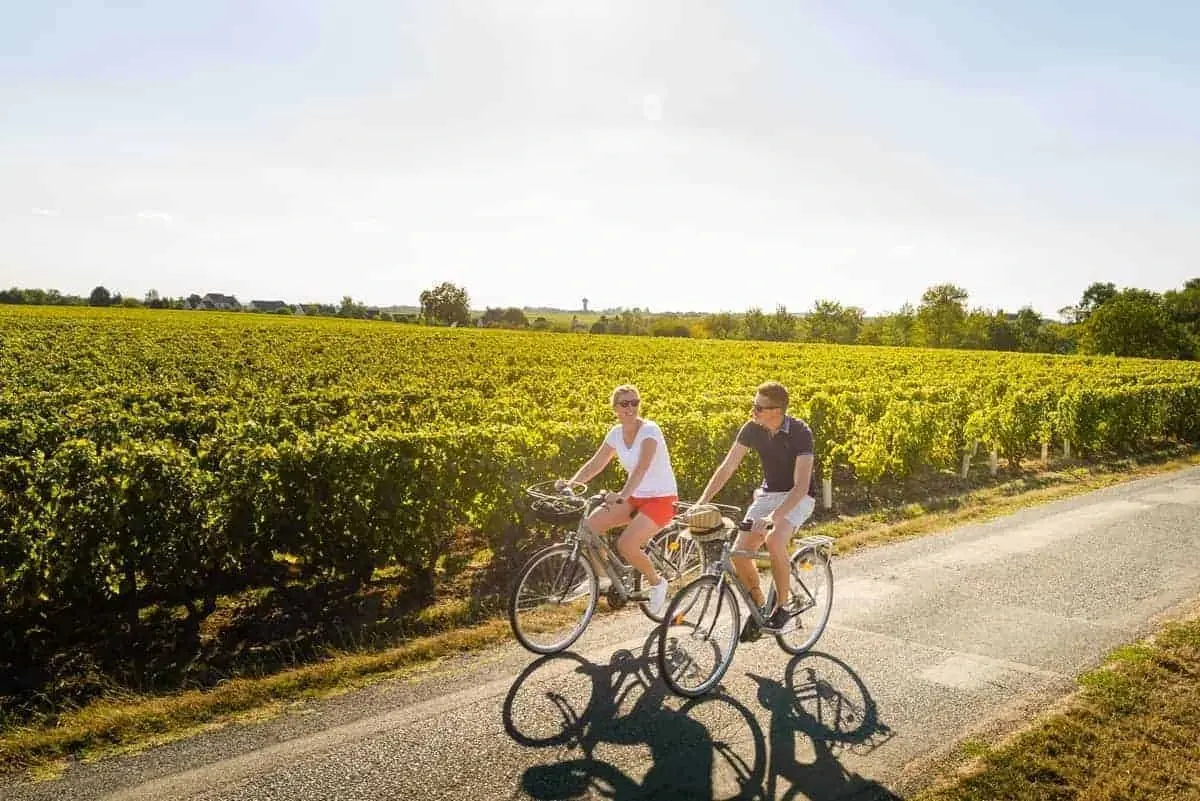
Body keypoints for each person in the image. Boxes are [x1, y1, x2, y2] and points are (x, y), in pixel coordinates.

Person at [694, 381, 817, 641]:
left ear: (777, 410)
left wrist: (773, 518)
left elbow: (801, 486)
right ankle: (760, 607)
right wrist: (702, 501)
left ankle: (782, 607)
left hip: (799, 496)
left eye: (758, 407)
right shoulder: (752, 429)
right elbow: (727, 468)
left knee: (774, 540)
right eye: (753, 405)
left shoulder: (800, 432)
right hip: (768, 493)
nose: (753, 411)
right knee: (740, 553)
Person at [558, 384, 679, 616]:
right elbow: (596, 463)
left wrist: (622, 496)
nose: (631, 407)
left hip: (661, 497)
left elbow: (642, 467)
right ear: (615, 408)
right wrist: (571, 484)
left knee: (626, 544)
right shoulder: (615, 433)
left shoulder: (650, 431)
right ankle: (602, 580)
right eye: (625, 403)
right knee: (591, 525)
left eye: (635, 402)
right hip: (635, 496)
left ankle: (657, 582)